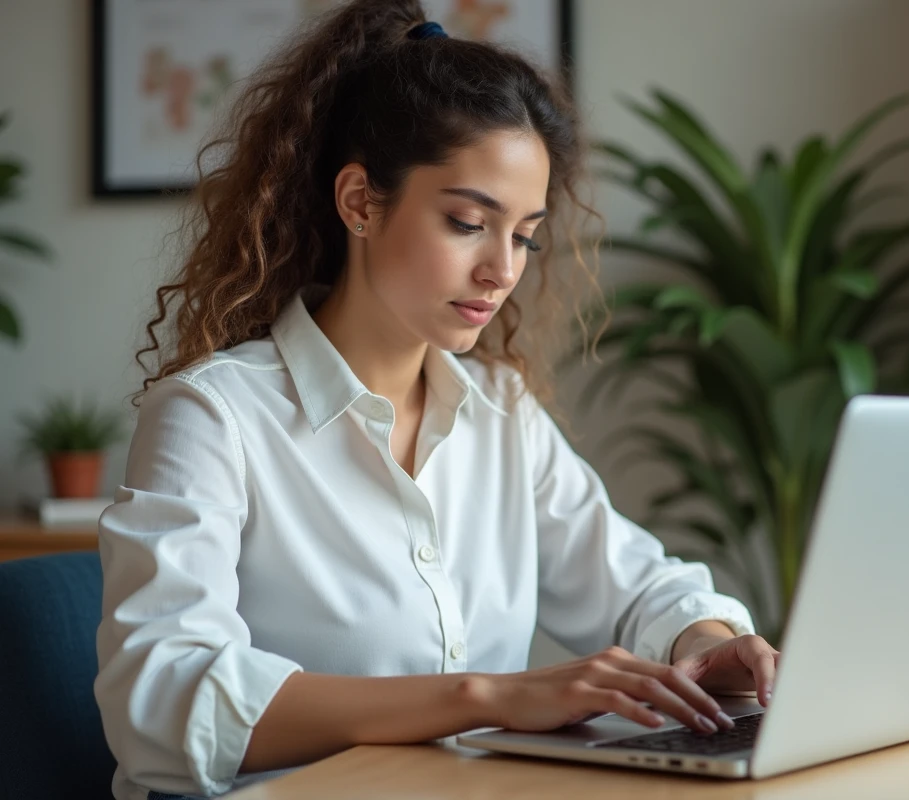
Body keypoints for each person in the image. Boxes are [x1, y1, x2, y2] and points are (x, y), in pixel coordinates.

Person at [93, 2, 778, 798]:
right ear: (359, 202)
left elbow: (636, 585)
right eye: (467, 222)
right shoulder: (213, 417)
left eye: (523, 234)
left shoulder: (502, 412)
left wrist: (709, 640)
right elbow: (165, 702)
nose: (503, 269)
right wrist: (486, 697)